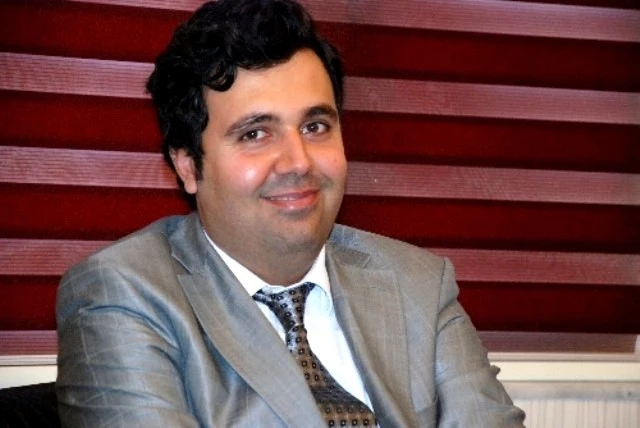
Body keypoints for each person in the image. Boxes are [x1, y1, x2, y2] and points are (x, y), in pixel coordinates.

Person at [55, 0, 525, 426]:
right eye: (255, 134)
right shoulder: (120, 295)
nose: (299, 162)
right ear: (188, 166)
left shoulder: (419, 283)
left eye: (315, 126)